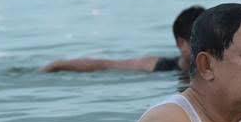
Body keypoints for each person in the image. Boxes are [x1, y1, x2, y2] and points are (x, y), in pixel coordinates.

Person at [42, 5, 204, 73]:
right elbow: (104, 65)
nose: (209, 47)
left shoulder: (216, 68)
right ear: (181, 43)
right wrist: (59, 65)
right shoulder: (160, 66)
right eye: (201, 41)